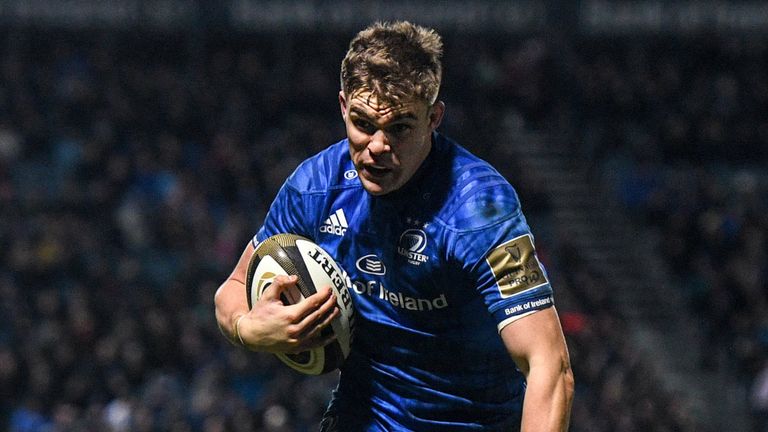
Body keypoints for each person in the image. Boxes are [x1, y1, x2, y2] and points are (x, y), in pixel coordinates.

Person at [214, 21, 574, 431]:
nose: (379, 146)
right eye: (363, 124)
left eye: (400, 127)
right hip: (365, 418)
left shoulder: (478, 208)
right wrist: (248, 328)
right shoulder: (316, 187)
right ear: (343, 107)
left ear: (434, 118)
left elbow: (549, 364)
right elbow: (232, 289)